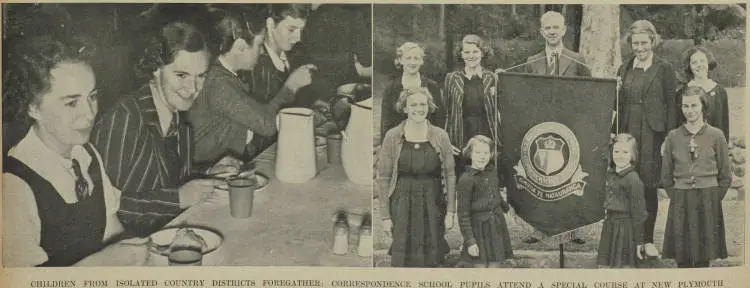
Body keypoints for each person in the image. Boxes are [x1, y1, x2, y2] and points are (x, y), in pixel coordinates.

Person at [3, 35, 148, 267]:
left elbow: (112, 232)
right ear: (33, 107)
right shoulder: (13, 186)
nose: (90, 113)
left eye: (92, 97)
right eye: (72, 103)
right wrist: (105, 262)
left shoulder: (85, 154)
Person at [90, 22, 217, 237]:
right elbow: (103, 207)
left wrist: (210, 173)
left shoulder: (178, 118)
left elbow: (166, 180)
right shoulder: (125, 119)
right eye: (181, 75)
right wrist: (177, 199)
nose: (193, 88)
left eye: (201, 76)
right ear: (155, 68)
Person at [189, 8, 315, 165]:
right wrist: (291, 86)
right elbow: (267, 125)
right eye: (259, 44)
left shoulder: (225, 74)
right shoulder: (218, 83)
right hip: (207, 170)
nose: (262, 50)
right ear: (241, 46)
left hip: (224, 163)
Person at [616, 20, 678, 252]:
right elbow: (618, 103)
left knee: (648, 185)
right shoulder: (624, 68)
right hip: (629, 132)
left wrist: (669, 138)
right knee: (628, 183)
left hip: (653, 134)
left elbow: (672, 105)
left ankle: (648, 239)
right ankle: (631, 240)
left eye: (644, 42)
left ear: (653, 41)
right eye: (635, 43)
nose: (639, 48)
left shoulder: (664, 68)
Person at [377, 87, 456, 267]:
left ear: (429, 107)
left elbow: (450, 175)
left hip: (433, 202)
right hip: (402, 203)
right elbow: (383, 178)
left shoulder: (441, 136)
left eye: (423, 104)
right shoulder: (393, 136)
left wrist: (451, 211)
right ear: (404, 108)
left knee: (432, 257)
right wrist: (385, 217)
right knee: (404, 257)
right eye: (413, 104)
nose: (419, 108)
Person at [660, 86, 731, 268]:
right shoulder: (673, 137)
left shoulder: (716, 135)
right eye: (685, 106)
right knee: (682, 256)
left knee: (703, 257)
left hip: (708, 198)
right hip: (681, 198)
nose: (690, 111)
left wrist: (713, 196)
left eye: (694, 106)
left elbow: (725, 175)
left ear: (703, 106)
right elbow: (666, 176)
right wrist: (677, 195)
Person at [456, 135, 513, 268]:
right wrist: (470, 241)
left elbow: (495, 194)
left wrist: (507, 209)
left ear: (491, 154)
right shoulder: (466, 179)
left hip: (496, 227)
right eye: (478, 152)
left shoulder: (492, 172)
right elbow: (463, 214)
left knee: (496, 265)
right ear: (470, 154)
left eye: (486, 153)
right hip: (478, 230)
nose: (482, 156)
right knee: (479, 267)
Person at [444, 34, 502, 159]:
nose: (471, 56)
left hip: (486, 132)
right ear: (461, 54)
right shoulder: (452, 78)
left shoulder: (492, 78)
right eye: (467, 52)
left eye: (475, 51)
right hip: (461, 134)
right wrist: (447, 141)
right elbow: (447, 112)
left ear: (482, 53)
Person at [597, 133, 648, 268]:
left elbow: (640, 214)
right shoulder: (610, 174)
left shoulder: (633, 179)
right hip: (610, 226)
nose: (620, 155)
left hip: (625, 230)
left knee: (622, 268)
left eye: (625, 152)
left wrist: (639, 242)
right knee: (607, 268)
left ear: (633, 155)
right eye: (616, 151)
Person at [380, 42, 443, 141]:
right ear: (400, 60)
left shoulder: (432, 87)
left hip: (426, 141)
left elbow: (439, 120)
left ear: (422, 61)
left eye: (416, 58)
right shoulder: (391, 88)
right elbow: (386, 124)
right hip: (399, 142)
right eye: (408, 58)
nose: (412, 63)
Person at [677, 46, 729, 143]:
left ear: (708, 63)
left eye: (702, 61)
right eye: (694, 62)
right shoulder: (682, 92)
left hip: (714, 145)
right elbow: (678, 123)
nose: (699, 65)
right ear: (689, 66)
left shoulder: (720, 91)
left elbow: (724, 124)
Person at [521, 11, 591, 77]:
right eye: (548, 28)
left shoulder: (577, 60)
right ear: (542, 32)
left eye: (556, 27)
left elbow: (589, 88)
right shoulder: (532, 62)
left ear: (563, 30)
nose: (552, 32)